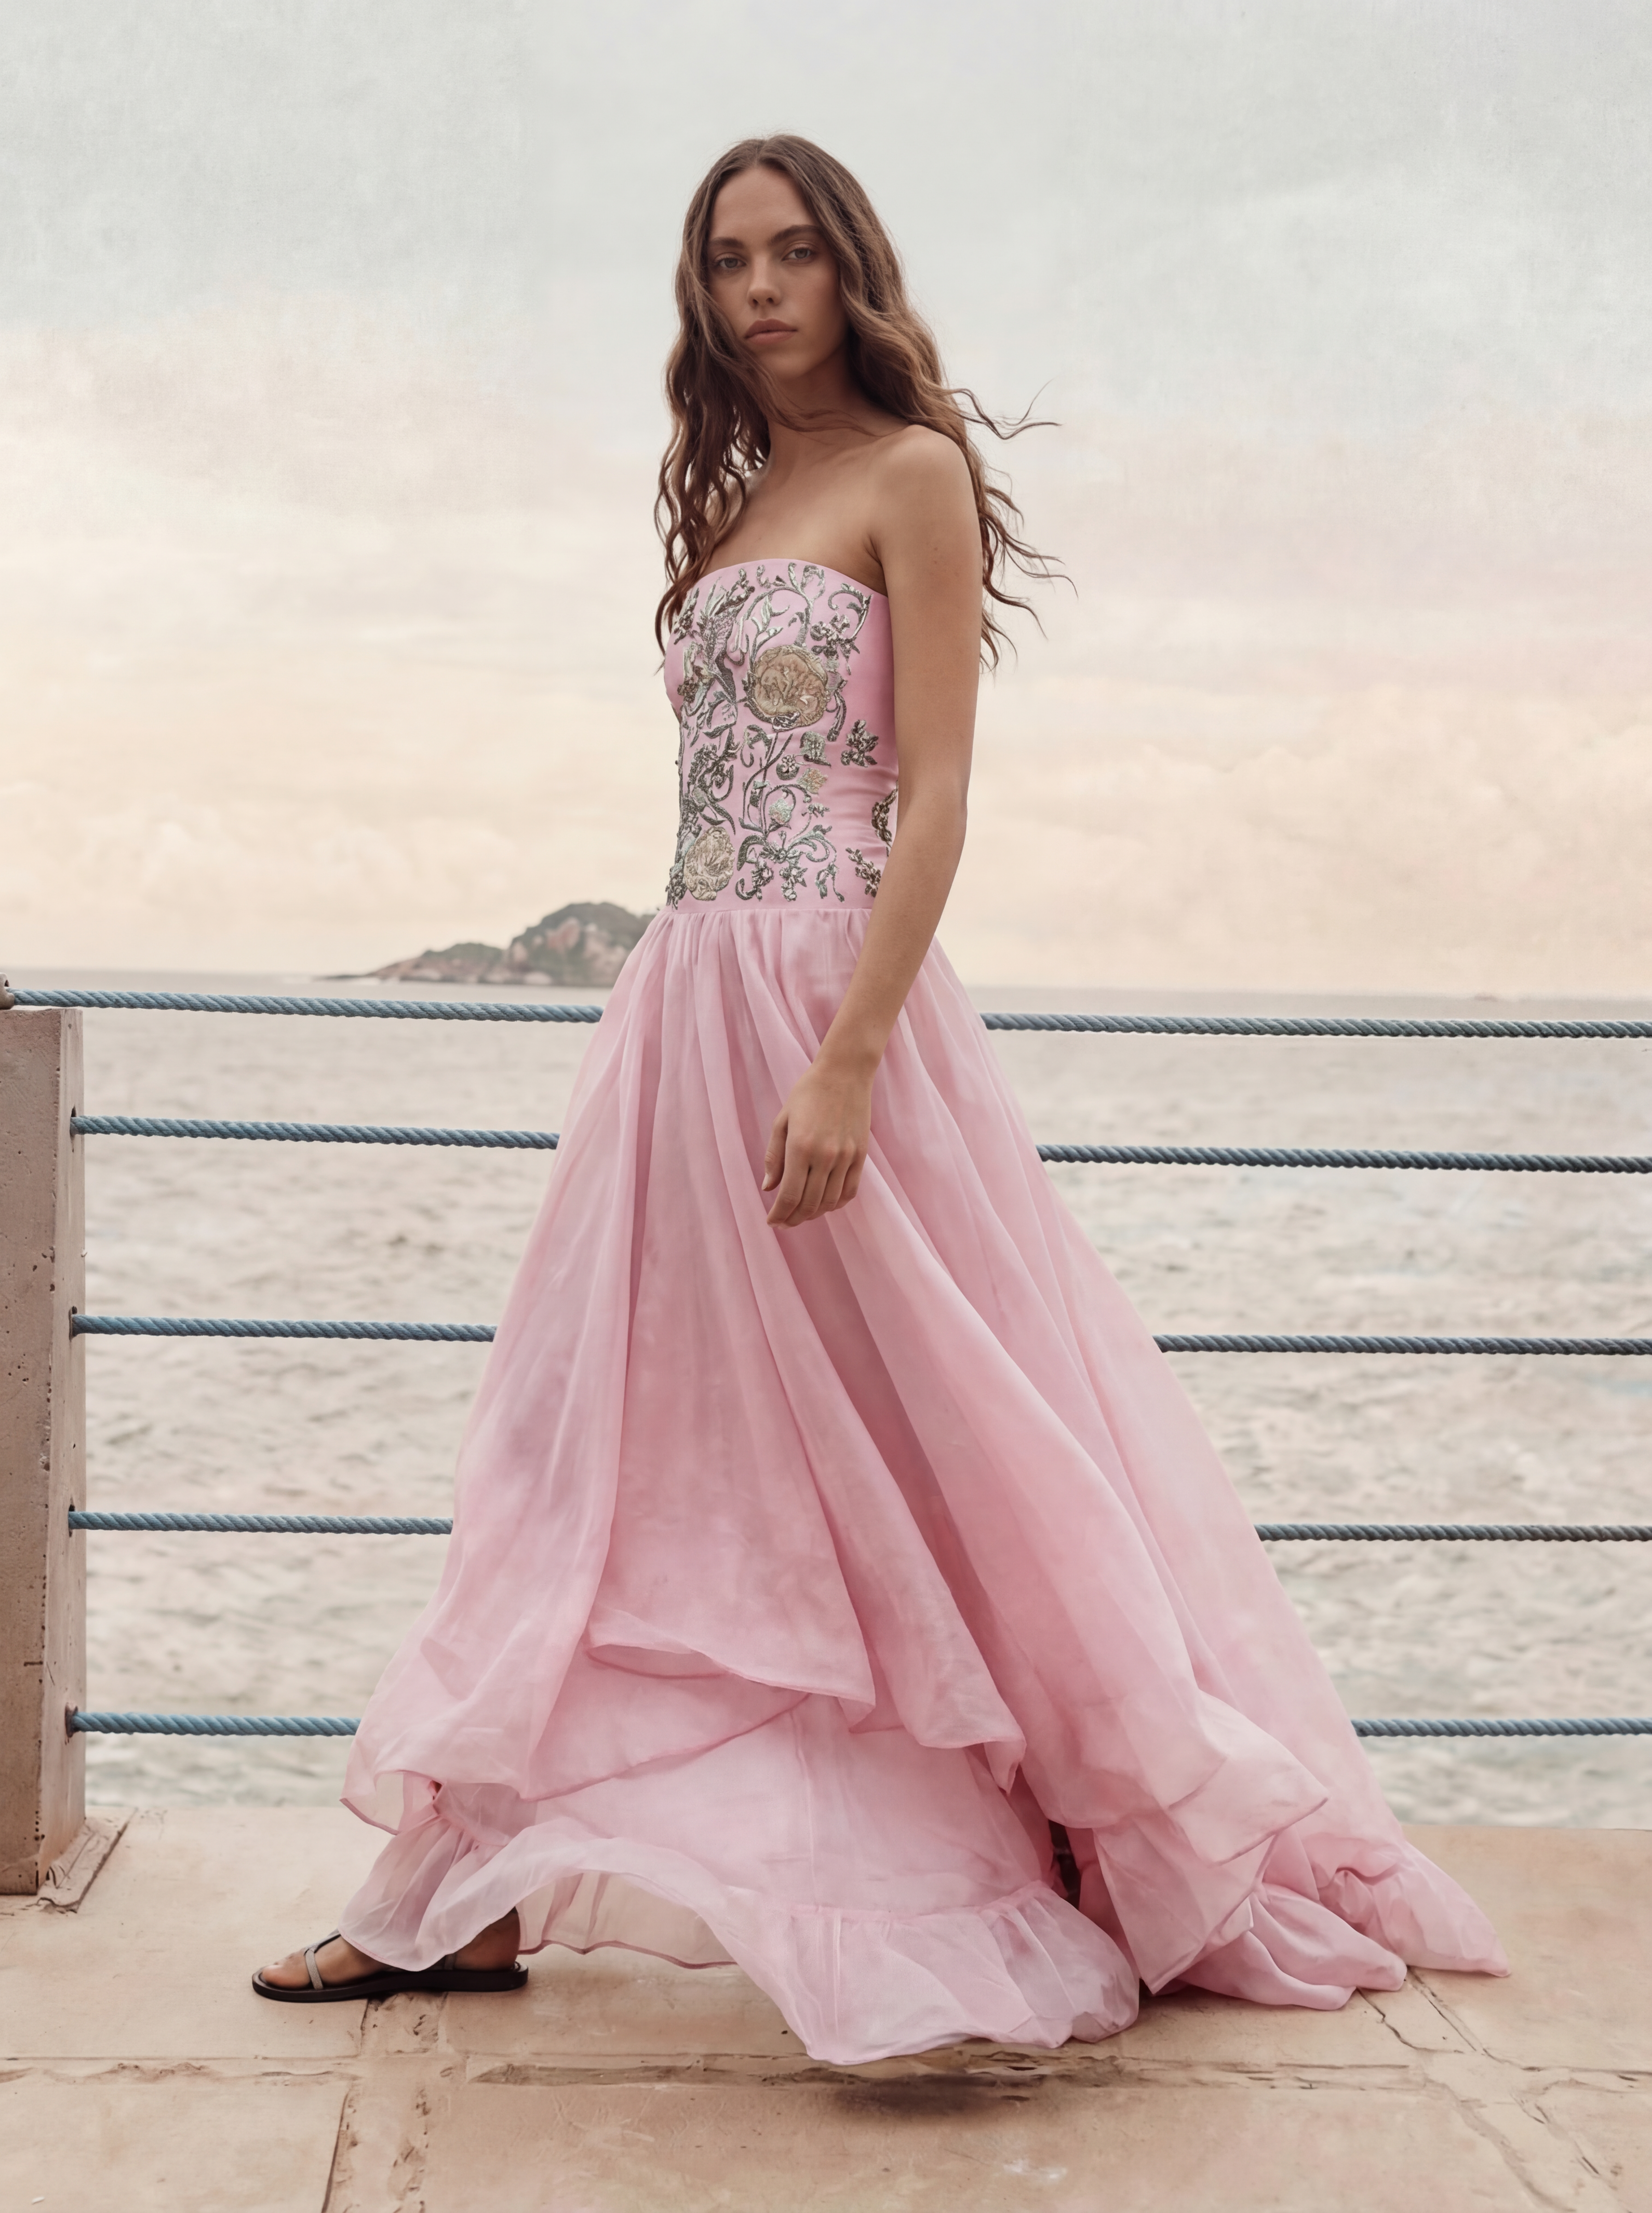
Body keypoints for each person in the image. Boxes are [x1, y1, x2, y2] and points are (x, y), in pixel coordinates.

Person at [255, 135, 1505, 2062]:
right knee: (581, 1456)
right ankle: (455, 1890)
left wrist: (843, 1056)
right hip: (678, 1009)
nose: (755, 291)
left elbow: (933, 794)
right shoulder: (742, 500)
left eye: (789, 255)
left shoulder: (911, 477)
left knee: (939, 1448)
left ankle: (1032, 1853)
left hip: (832, 1007)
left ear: (850, 271)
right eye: (724, 262)